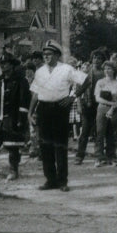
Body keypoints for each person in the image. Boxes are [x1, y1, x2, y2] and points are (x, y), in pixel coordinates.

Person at [29, 40, 88, 191]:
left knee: (60, 146)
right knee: (45, 145)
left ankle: (62, 181)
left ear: (57, 55)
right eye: (44, 54)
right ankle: (50, 180)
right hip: (43, 109)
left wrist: (73, 96)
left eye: (49, 54)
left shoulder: (66, 69)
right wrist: (30, 112)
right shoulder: (40, 71)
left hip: (60, 109)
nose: (46, 57)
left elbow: (86, 80)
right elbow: (35, 93)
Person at [0, 54, 30, 180]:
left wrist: (21, 120)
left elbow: (24, 102)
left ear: (12, 65)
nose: (3, 66)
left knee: (12, 146)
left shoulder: (21, 81)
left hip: (13, 120)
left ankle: (14, 170)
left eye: (6, 63)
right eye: (2, 63)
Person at [75, 49, 106, 165]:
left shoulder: (104, 73)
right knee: (85, 131)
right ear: (91, 59)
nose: (97, 60)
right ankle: (79, 155)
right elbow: (78, 91)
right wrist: (78, 104)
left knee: (99, 131)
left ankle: (99, 156)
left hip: (100, 105)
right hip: (87, 105)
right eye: (95, 58)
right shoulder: (86, 73)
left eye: (99, 58)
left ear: (103, 60)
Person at [93, 61, 117, 166]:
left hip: (114, 110)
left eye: (109, 68)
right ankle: (99, 158)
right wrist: (110, 104)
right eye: (105, 69)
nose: (107, 71)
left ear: (114, 70)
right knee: (100, 133)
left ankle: (111, 156)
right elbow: (97, 98)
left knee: (112, 133)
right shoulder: (100, 82)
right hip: (102, 108)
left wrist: (112, 107)